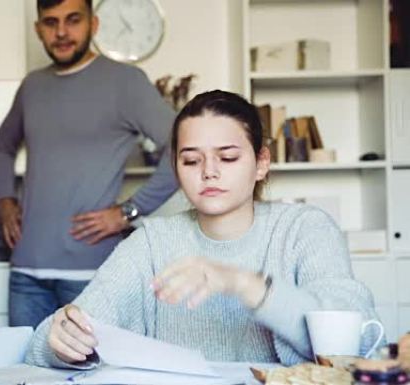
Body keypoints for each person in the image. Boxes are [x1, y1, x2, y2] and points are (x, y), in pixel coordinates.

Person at [24, 90, 381, 367]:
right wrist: (62, 340)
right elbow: (46, 343)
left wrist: (244, 283)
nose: (209, 171)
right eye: (191, 160)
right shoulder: (153, 242)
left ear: (261, 163)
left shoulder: (304, 229)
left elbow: (358, 338)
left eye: (227, 157)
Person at [0, 0, 178, 328]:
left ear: (94, 24)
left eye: (73, 20)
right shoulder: (33, 86)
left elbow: (182, 149)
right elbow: (1, 147)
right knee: (23, 377)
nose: (61, 32)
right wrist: (4, 202)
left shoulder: (126, 81)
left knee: (94, 376)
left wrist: (128, 211)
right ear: (38, 30)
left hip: (91, 275)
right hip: (26, 274)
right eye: (50, 23)